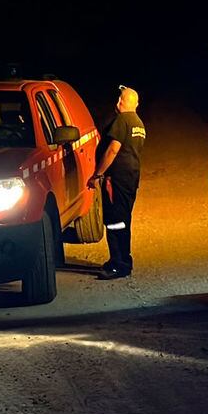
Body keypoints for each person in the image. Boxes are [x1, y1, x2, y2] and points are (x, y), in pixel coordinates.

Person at [88, 84, 146, 279]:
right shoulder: (139, 123)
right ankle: (123, 260)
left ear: (122, 102)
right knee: (123, 220)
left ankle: (117, 265)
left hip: (117, 179)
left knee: (114, 222)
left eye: (119, 99)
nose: (117, 102)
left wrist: (97, 174)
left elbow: (113, 149)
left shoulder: (122, 121)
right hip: (130, 178)